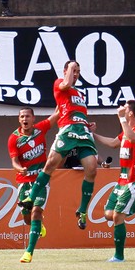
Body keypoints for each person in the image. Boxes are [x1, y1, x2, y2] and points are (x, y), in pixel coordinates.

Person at [18, 61, 99, 233]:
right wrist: (70, 69)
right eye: (73, 70)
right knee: (50, 165)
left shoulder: (80, 94)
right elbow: (66, 83)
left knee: (92, 169)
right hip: (68, 131)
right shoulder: (59, 83)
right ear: (65, 71)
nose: (76, 74)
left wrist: (88, 124)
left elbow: (75, 111)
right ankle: (30, 198)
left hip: (82, 132)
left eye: (78, 71)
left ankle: (82, 211)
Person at [91, 100, 135, 263]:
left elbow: (133, 138)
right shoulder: (126, 131)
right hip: (122, 180)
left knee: (118, 217)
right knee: (108, 214)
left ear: (131, 113)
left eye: (125, 108)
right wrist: (92, 134)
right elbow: (113, 143)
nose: (121, 109)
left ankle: (119, 257)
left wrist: (121, 119)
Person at [7, 107, 58, 263]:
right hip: (23, 182)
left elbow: (56, 115)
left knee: (36, 212)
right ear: (19, 119)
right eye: (22, 116)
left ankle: (28, 253)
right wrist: (20, 169)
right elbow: (14, 162)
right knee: (28, 219)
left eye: (27, 116)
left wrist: (64, 97)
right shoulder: (14, 138)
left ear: (33, 118)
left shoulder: (40, 129)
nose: (24, 119)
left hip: (41, 180)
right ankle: (39, 226)